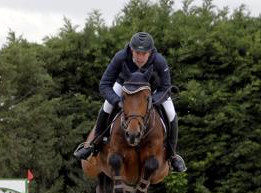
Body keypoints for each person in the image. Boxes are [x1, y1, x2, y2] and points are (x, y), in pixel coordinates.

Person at [74, 32, 186, 172]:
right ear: (131, 50)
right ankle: (93, 145)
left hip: (153, 90)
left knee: (171, 113)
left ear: (150, 52)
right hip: (126, 87)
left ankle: (172, 155)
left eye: (143, 54)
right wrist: (117, 101)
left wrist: (153, 101)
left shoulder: (159, 61)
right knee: (107, 106)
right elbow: (104, 84)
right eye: (136, 53)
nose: (139, 57)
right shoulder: (121, 57)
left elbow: (166, 87)